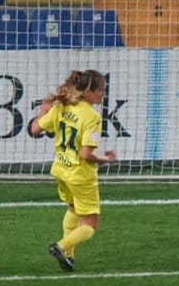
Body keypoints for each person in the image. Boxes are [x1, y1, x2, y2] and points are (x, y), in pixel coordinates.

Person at [26, 69, 117, 271]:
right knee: (90, 224)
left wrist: (44, 110)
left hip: (60, 170)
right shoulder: (92, 117)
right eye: (101, 90)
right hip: (80, 176)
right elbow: (86, 155)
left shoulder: (62, 107)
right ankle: (61, 246)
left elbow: (34, 129)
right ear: (87, 92)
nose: (104, 94)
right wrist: (106, 159)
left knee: (73, 209)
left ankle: (68, 256)